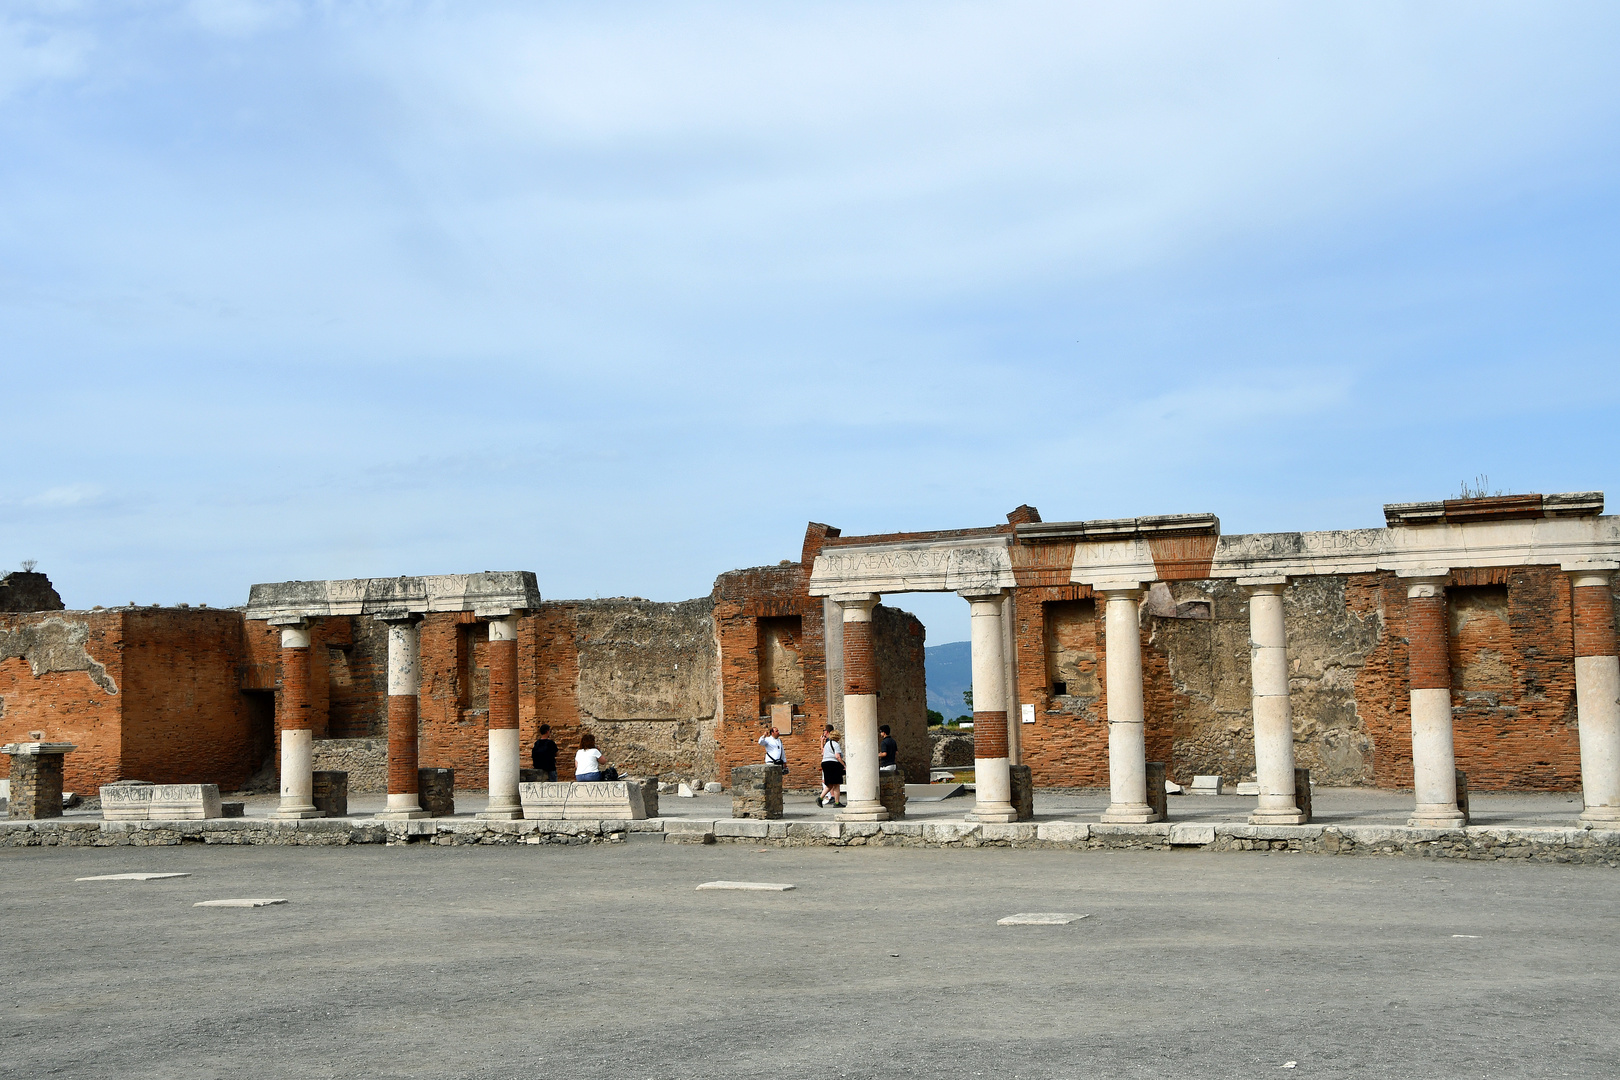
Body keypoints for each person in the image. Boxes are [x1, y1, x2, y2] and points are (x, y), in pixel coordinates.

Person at [819, 725, 844, 808]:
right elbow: (837, 756)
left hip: (825, 763)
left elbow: (823, 753)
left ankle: (820, 798)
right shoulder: (836, 744)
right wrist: (844, 765)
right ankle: (837, 803)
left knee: (829, 784)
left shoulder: (827, 744)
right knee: (836, 784)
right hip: (833, 764)